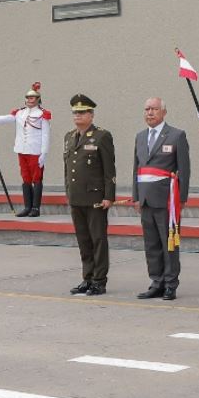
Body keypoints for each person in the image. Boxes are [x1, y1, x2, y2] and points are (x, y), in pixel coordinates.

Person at [131, 96, 189, 301]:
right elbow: (137, 169)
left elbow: (185, 168)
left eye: (154, 109)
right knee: (152, 244)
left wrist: (181, 199)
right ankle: (156, 281)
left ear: (164, 112)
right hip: (146, 199)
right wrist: (135, 197)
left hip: (167, 199)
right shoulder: (140, 136)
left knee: (169, 243)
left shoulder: (176, 135)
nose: (150, 113)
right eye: (147, 109)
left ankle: (171, 284)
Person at [61, 94, 116, 296]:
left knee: (98, 240)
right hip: (76, 198)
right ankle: (87, 277)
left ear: (91, 115)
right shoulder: (69, 137)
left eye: (82, 112)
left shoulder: (102, 136)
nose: (78, 116)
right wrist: (68, 192)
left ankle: (99, 281)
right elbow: (68, 168)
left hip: (95, 198)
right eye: (75, 112)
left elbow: (109, 170)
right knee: (83, 240)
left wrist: (109, 196)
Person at [0, 83, 50, 216]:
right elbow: (5, 119)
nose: (29, 100)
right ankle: (27, 207)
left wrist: (44, 153)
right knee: (25, 178)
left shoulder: (42, 114)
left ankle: (36, 208)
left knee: (37, 179)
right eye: (28, 98)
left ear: (38, 99)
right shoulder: (20, 113)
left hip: (35, 151)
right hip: (21, 150)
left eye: (32, 98)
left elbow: (45, 134)